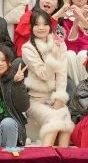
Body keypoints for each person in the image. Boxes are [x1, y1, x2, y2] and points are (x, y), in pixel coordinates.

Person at [22, 9, 75, 147]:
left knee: (66, 117)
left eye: (45, 24)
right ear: (31, 26)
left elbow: (62, 74)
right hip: (36, 100)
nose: (41, 28)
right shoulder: (27, 48)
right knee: (56, 118)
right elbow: (43, 74)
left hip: (53, 98)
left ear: (50, 26)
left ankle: (63, 157)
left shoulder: (59, 43)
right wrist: (53, 55)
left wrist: (59, 98)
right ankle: (46, 156)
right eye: (37, 24)